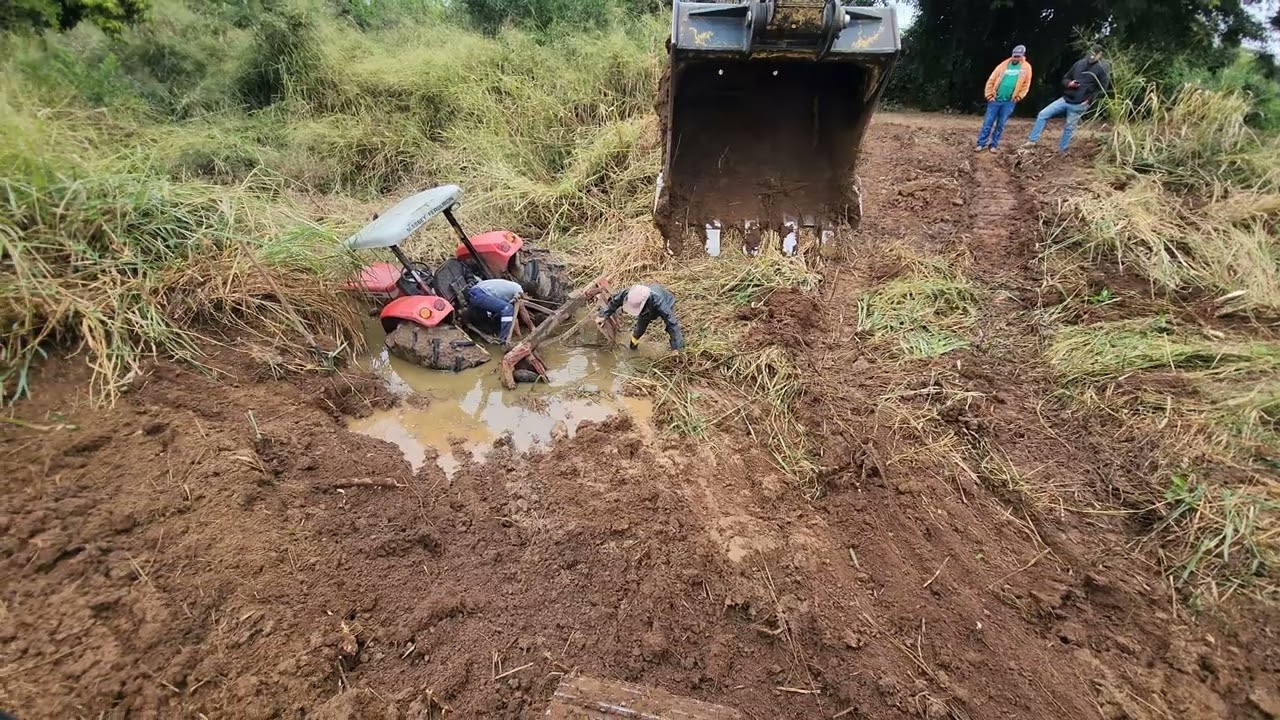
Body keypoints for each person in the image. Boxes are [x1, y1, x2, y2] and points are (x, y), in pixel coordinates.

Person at [1026, 44, 1111, 152]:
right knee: (1043, 114)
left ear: (1100, 54)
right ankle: (1032, 141)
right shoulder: (1079, 63)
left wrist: (1089, 101)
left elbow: (1102, 89)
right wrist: (1069, 83)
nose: (1091, 57)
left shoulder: (1103, 67)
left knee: (1069, 127)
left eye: (1094, 55)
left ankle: (1062, 150)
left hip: (1080, 103)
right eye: (1090, 54)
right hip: (1066, 98)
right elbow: (1065, 78)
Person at [975, 44, 1032, 153]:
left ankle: (994, 145)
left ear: (1022, 56)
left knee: (1000, 124)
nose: (1015, 58)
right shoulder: (1003, 65)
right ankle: (981, 143)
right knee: (988, 122)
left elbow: (1026, 85)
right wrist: (989, 95)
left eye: (1018, 56)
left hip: (1009, 101)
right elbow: (991, 79)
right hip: (995, 99)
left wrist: (1019, 97)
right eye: (1014, 56)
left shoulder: (1026, 68)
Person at [598, 283, 685, 351]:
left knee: (671, 326)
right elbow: (615, 303)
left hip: (666, 302)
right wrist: (603, 316)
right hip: (646, 307)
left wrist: (677, 348)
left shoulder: (658, 301)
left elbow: (672, 323)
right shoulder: (628, 293)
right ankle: (633, 346)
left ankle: (677, 347)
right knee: (639, 329)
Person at [466, 278, 524, 345]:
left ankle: (491, 334)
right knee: (507, 308)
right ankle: (503, 340)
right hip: (478, 294)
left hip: (475, 293)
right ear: (526, 293)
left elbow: (514, 317)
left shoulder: (511, 287)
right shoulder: (519, 289)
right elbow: (519, 312)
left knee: (502, 312)